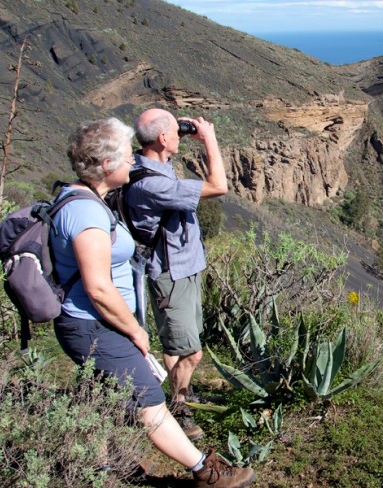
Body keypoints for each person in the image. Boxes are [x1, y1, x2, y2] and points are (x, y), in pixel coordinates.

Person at [52, 118, 254, 487]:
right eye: (128, 157)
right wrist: (134, 331)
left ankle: (106, 465)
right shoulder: (86, 212)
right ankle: (206, 473)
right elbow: (98, 288)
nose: (134, 162)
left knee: (111, 396)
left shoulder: (89, 200)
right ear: (108, 165)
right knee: (149, 403)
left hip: (100, 322)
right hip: (96, 323)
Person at [125, 108, 228, 440]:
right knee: (191, 352)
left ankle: (181, 391)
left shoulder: (153, 167)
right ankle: (179, 406)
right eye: (175, 130)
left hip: (186, 267)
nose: (180, 133)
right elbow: (219, 186)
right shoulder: (152, 183)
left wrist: (177, 137)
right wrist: (209, 139)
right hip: (171, 274)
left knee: (177, 343)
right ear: (163, 138)